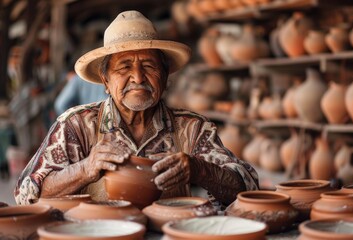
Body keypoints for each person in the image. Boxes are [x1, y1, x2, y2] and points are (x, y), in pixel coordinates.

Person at [14, 10, 259, 206]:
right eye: (124, 67)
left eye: (149, 66)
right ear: (106, 80)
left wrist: (200, 170)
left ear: (165, 78)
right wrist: (84, 169)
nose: (138, 77)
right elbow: (26, 194)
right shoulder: (76, 125)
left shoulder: (192, 128)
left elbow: (248, 188)